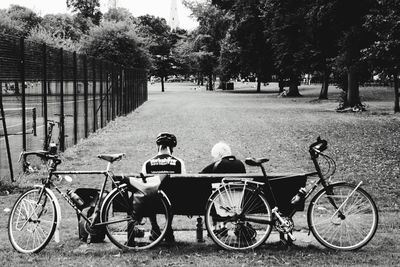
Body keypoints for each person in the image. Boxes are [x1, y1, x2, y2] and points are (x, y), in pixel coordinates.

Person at [141, 132, 186, 243]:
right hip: (175, 203)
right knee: (174, 195)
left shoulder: (147, 164)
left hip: (152, 203)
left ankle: (155, 228)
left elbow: (144, 187)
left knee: (150, 193)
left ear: (158, 147)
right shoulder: (179, 163)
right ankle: (168, 228)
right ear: (172, 148)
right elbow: (183, 185)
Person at [201, 142, 247, 237]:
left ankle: (219, 228)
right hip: (238, 203)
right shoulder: (240, 164)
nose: (213, 159)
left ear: (219, 155)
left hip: (221, 205)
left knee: (212, 195)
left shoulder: (217, 165)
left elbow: (201, 175)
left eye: (214, 157)